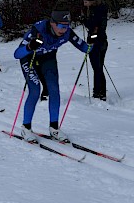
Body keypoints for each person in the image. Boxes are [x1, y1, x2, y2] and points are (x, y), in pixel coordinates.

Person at [14, 9, 92, 142]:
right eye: (61, 26)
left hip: (48, 59)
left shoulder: (67, 33)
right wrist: (29, 47)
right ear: (52, 23)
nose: (64, 29)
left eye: (67, 25)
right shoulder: (37, 31)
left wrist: (94, 38)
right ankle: (26, 128)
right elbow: (16, 54)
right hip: (29, 59)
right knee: (35, 91)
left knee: (54, 91)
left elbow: (86, 48)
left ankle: (54, 128)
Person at [81, 0, 108, 101]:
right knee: (98, 68)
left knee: (97, 68)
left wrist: (84, 21)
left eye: (86, 1)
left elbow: (96, 27)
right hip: (100, 41)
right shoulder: (96, 9)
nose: (84, 3)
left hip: (97, 42)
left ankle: (98, 93)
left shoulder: (97, 10)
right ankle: (100, 92)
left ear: (92, 1)